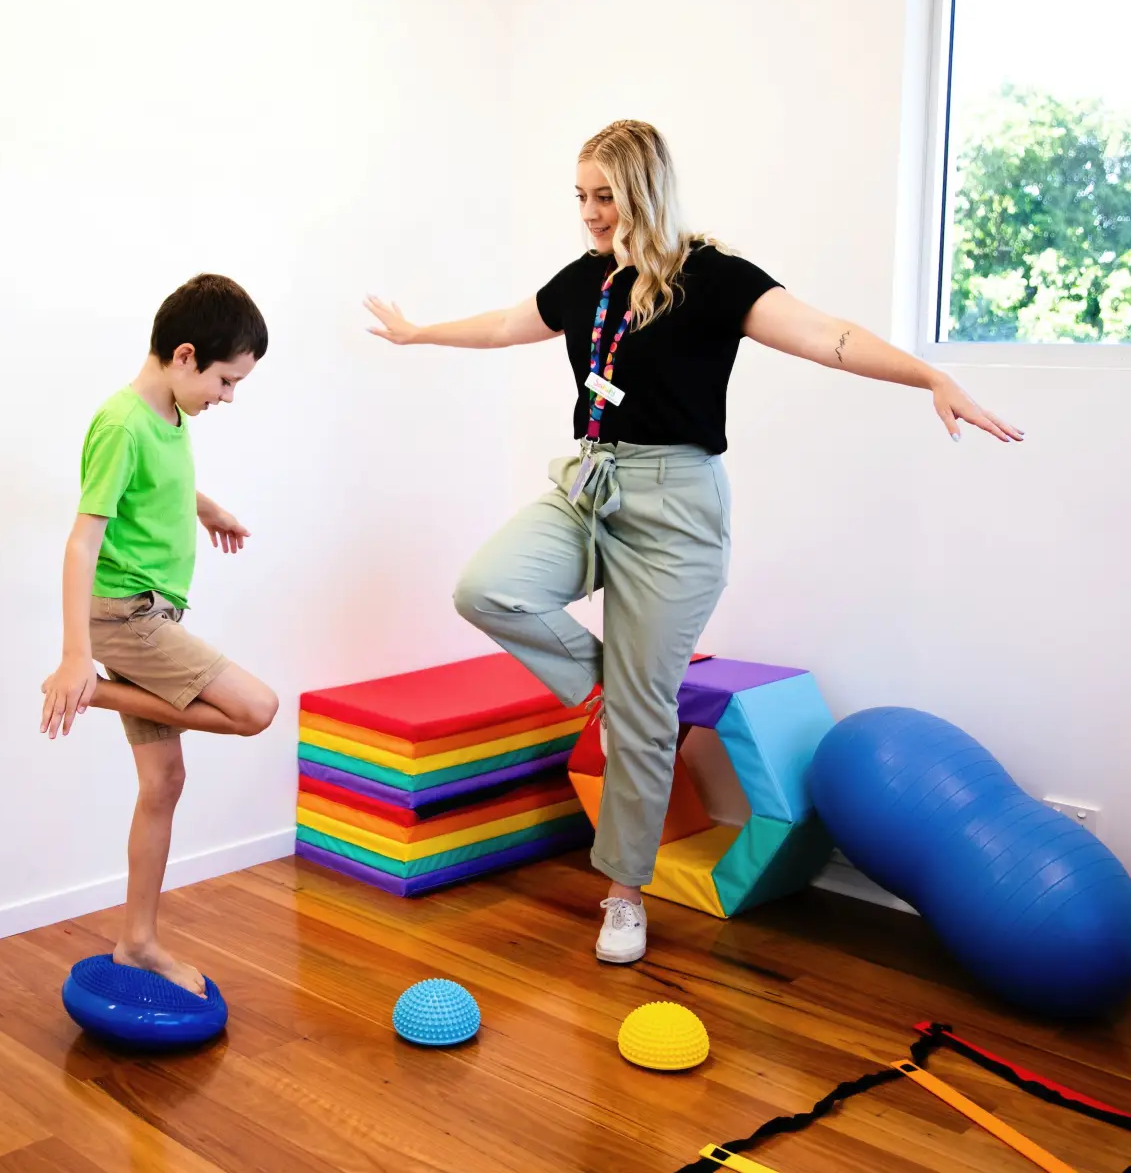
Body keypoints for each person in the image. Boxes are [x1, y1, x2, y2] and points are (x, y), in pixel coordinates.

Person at [365, 120, 1020, 964]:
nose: (591, 213)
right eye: (581, 197)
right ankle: (614, 688)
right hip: (589, 485)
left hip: (676, 509)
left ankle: (623, 895)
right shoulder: (587, 279)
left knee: (644, 719)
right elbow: (503, 325)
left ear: (646, 190)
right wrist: (419, 333)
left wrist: (929, 374)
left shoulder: (712, 277)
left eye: (606, 196)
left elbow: (828, 336)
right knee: (487, 587)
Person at [40, 272, 280, 996]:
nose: (228, 397)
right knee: (257, 709)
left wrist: (205, 508)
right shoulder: (121, 422)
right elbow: (83, 540)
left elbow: (155, 479)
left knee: (164, 781)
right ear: (184, 356)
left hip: (150, 615)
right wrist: (76, 655)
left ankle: (137, 942)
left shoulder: (167, 414)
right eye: (226, 381)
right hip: (125, 618)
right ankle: (95, 692)